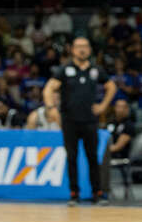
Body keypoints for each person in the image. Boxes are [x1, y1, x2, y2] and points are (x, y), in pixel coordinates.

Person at [43, 37, 116, 206]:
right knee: (72, 157)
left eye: (85, 46)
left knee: (92, 157)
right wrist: (51, 107)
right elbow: (48, 88)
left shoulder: (95, 70)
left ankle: (97, 193)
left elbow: (111, 86)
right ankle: (74, 194)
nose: (82, 50)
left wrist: (103, 105)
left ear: (89, 50)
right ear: (72, 50)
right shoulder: (65, 69)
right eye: (78, 47)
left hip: (90, 121)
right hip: (69, 121)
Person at [101, 99, 136, 198]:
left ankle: (103, 191)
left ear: (127, 109)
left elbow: (118, 146)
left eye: (123, 107)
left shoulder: (129, 125)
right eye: (118, 106)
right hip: (107, 153)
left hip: (121, 155)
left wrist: (101, 151)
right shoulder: (110, 123)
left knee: (99, 161)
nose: (120, 109)